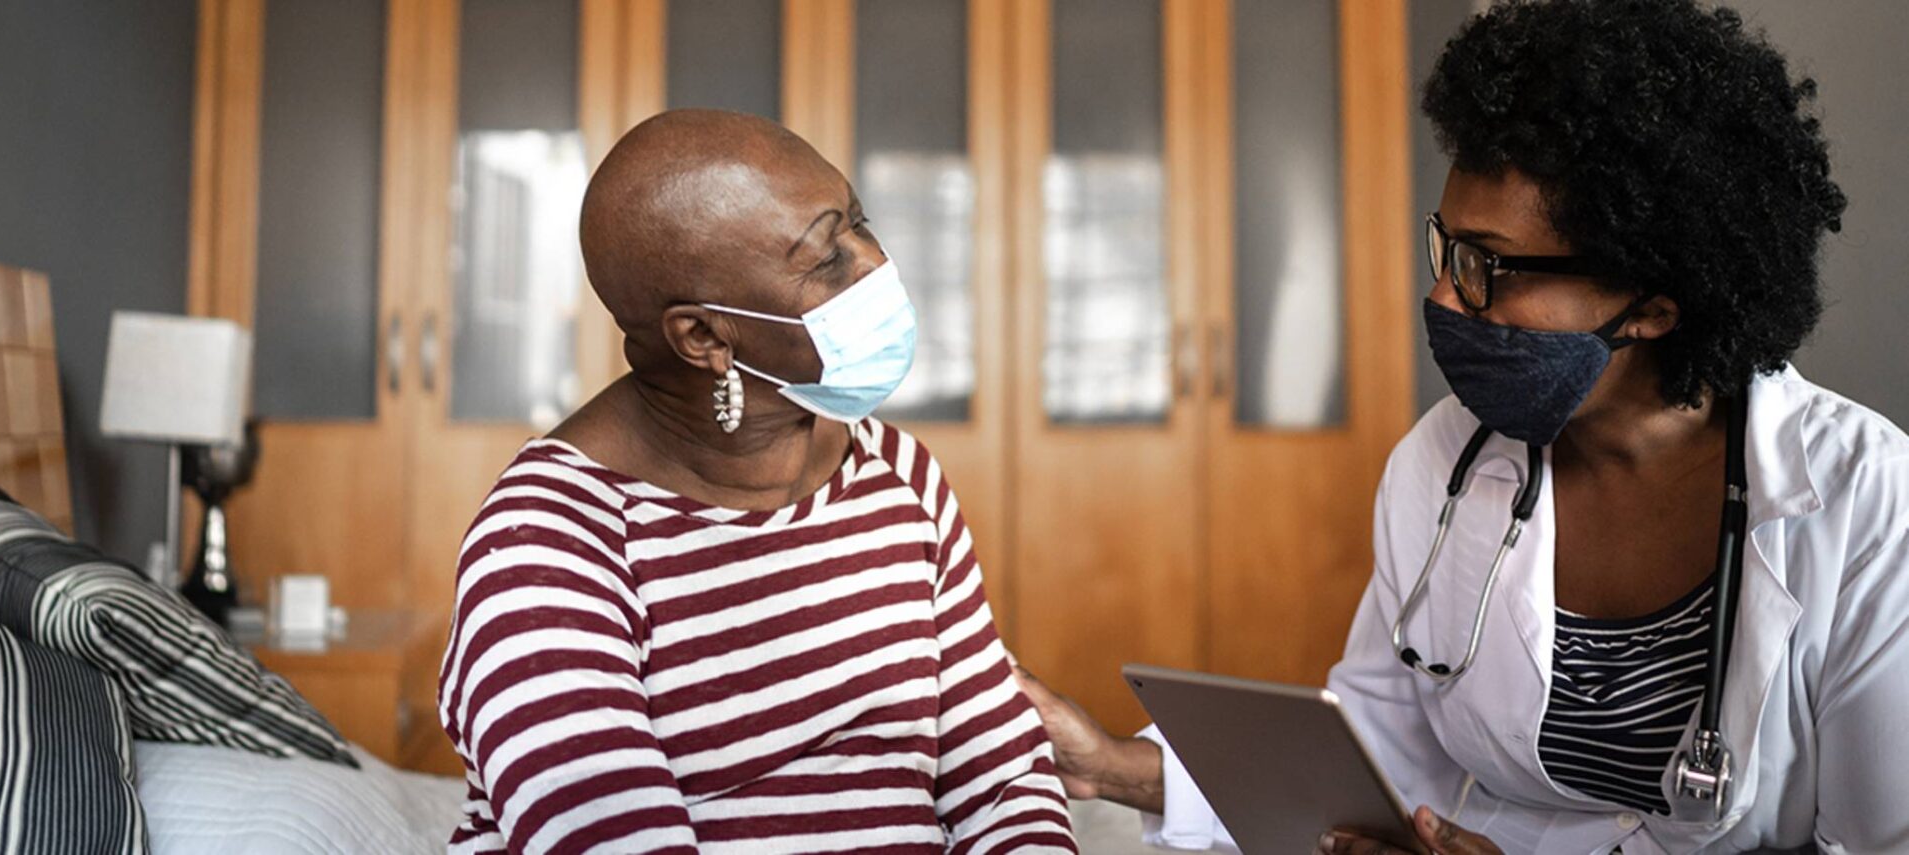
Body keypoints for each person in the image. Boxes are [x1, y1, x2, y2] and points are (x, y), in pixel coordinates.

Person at [1014, 1, 1909, 852]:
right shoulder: (1443, 459)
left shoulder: (1865, 503)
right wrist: (1114, 765)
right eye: (1448, 248)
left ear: (1654, 306)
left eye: (1491, 267)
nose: (1443, 296)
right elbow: (1374, 744)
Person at [437, 109, 1075, 853]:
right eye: (826, 258)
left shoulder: (900, 475)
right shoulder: (548, 540)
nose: (875, 264)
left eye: (858, 224)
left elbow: (1000, 781)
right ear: (704, 336)